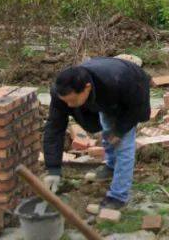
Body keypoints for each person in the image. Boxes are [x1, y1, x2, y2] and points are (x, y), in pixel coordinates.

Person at [41, 57, 151, 210]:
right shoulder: (63, 94)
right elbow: (54, 128)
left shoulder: (118, 81)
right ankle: (111, 167)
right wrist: (53, 169)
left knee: (123, 145)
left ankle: (118, 196)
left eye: (72, 101)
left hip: (131, 92)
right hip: (106, 96)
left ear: (86, 88)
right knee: (107, 133)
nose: (69, 106)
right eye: (65, 101)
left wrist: (119, 130)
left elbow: (135, 107)